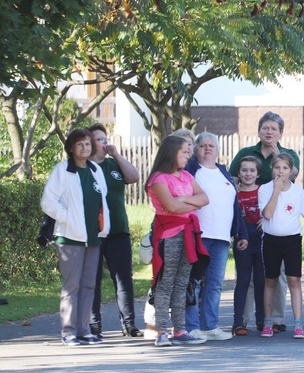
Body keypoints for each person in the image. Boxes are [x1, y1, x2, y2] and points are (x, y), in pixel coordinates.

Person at [229, 112, 299, 333]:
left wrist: (279, 155)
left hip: (277, 221)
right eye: (265, 128)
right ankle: (247, 318)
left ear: (281, 133)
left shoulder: (288, 154)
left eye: (274, 129)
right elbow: (233, 180)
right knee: (249, 277)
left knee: (276, 274)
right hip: (250, 220)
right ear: (259, 130)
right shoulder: (246, 153)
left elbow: (293, 175)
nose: (269, 132)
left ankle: (275, 318)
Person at [41, 129, 111, 345]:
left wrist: (103, 226)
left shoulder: (96, 170)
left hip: (93, 236)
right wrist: (68, 218)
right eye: (79, 144)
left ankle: (84, 330)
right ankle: (68, 332)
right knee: (72, 285)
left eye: (88, 144)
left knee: (89, 285)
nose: (84, 148)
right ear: (71, 148)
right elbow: (48, 202)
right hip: (69, 238)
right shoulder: (62, 170)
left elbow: (103, 199)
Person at [146, 135, 209, 346]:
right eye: (184, 152)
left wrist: (182, 200)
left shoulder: (186, 176)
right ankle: (161, 331)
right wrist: (191, 204)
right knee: (165, 283)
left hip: (188, 235)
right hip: (168, 235)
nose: (188, 155)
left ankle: (180, 329)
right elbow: (171, 208)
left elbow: (205, 198)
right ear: (172, 153)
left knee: (182, 283)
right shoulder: (158, 179)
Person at [185, 132, 248, 341]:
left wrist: (241, 232)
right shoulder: (191, 170)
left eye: (211, 145)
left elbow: (236, 205)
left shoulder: (223, 172)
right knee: (192, 281)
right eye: (202, 145)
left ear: (218, 150)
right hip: (198, 235)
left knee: (215, 283)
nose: (207, 148)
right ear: (195, 150)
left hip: (221, 236)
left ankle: (209, 325)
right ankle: (191, 326)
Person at [87, 123, 143, 338]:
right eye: (99, 139)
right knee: (94, 278)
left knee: (123, 278)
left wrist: (117, 155)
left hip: (118, 229)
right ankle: (94, 324)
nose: (104, 143)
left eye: (105, 138)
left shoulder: (112, 164)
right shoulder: (84, 168)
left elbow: (134, 177)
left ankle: (129, 324)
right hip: (94, 231)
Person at [258, 153, 304, 339]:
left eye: (285, 168)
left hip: (292, 241)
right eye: (277, 168)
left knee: (294, 280)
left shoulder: (298, 191)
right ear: (272, 169)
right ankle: (268, 322)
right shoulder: (265, 189)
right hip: (271, 240)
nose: (281, 172)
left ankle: (298, 324)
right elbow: (267, 214)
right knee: (270, 280)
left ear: (291, 171)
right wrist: (276, 191)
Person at [232, 156, 265, 336]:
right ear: (239, 173)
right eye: (244, 170)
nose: (248, 174)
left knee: (261, 280)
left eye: (252, 170)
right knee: (244, 280)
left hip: (261, 238)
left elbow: (272, 209)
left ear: (258, 173)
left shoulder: (263, 192)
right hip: (242, 239)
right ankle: (238, 322)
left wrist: (266, 218)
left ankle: (262, 319)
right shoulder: (234, 194)